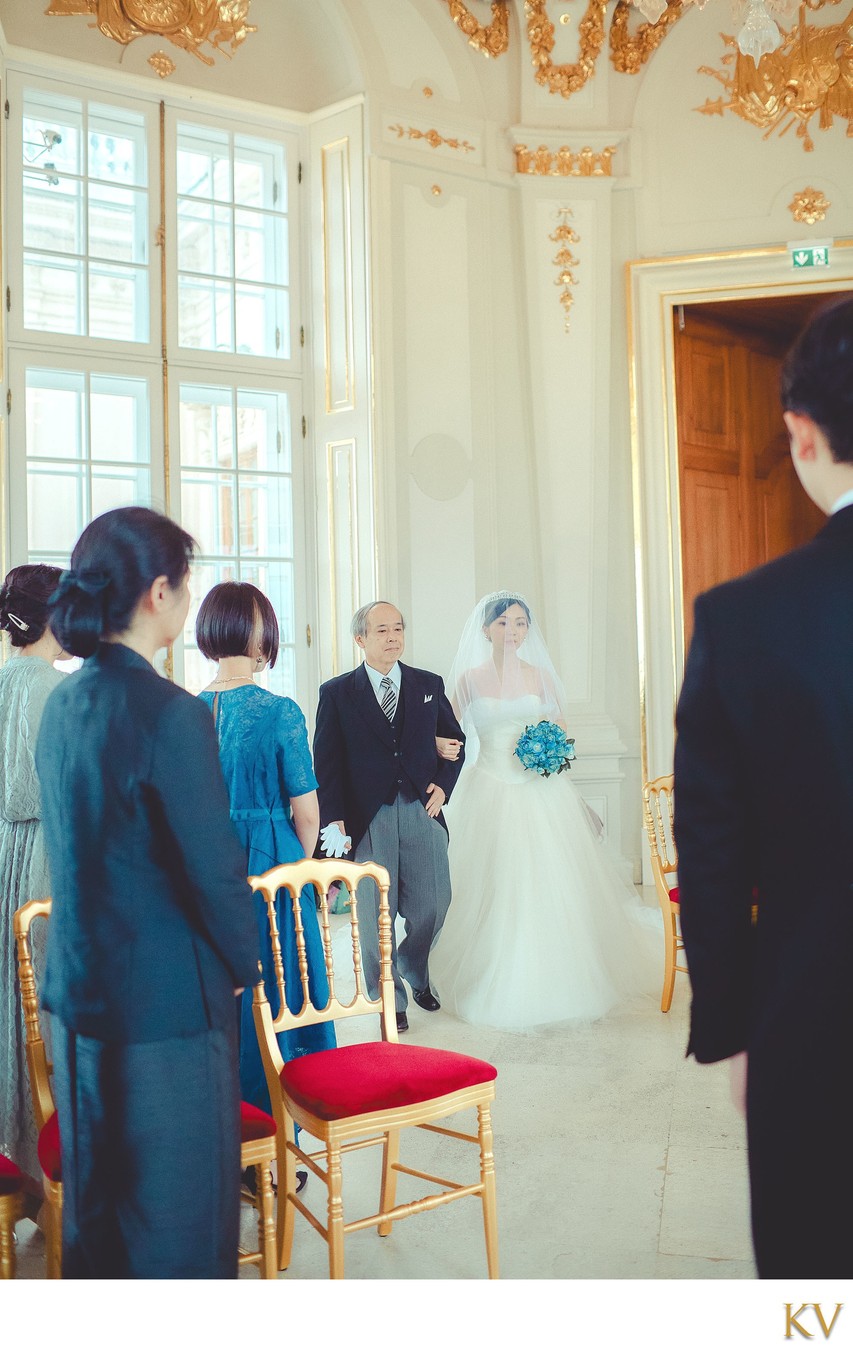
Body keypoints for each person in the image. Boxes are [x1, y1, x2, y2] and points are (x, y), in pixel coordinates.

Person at [673, 293, 853, 1279]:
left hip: (810, 1016)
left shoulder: (742, 622)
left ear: (799, 431)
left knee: (816, 1282)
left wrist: (734, 1030)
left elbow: (710, 852)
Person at [35, 507, 259, 1279]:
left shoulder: (62, 703)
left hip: (77, 995)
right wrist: (248, 963)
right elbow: (214, 868)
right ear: (159, 592)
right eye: (185, 583)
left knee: (101, 1216)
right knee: (178, 1225)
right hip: (164, 1007)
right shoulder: (172, 713)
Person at [430, 592, 659, 1030]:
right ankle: (483, 970)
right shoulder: (468, 681)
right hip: (488, 788)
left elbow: (560, 730)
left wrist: (548, 755)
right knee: (493, 881)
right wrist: (438, 746)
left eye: (519, 624)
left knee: (549, 881)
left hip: (539, 790)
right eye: (502, 624)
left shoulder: (541, 678)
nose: (512, 631)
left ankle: (559, 972)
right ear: (485, 630)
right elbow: (447, 731)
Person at [195, 582, 336, 1172]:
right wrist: (293, 866)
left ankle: (227, 1143)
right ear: (263, 637)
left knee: (221, 1006)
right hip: (272, 863)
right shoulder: (280, 712)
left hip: (207, 869)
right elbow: (308, 813)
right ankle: (279, 1148)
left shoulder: (186, 710)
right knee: (284, 997)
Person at [313, 600, 465, 1031]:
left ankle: (415, 967)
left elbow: (457, 743)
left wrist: (443, 786)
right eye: (381, 630)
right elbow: (326, 763)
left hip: (422, 810)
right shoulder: (337, 693)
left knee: (435, 904)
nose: (393, 637)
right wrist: (335, 818)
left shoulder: (428, 685)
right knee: (374, 910)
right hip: (368, 817)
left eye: (398, 628)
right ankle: (390, 998)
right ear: (360, 639)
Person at [0, 564, 66, 1204]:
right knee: (46, 1003)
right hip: (44, 852)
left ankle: (20, 1171)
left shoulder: (6, 680)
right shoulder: (52, 688)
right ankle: (49, 1168)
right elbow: (35, 792)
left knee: (12, 999)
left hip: (4, 853)